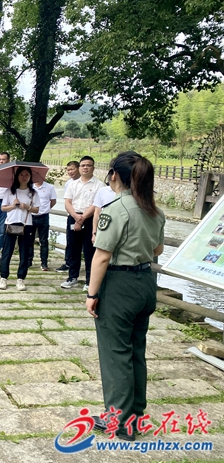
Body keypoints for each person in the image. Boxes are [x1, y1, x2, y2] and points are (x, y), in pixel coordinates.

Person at [86, 151, 165, 441]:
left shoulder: (117, 209)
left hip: (120, 284)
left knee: (116, 354)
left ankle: (118, 421)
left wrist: (92, 293)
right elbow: (157, 250)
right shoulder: (155, 210)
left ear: (115, 176)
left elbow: (102, 257)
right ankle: (135, 416)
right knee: (136, 350)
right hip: (145, 283)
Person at [62, 156, 105, 291]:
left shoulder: (99, 185)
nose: (85, 167)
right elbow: (67, 202)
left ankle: (89, 280)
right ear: (79, 168)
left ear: (93, 167)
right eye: (83, 165)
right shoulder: (72, 184)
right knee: (72, 248)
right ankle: (72, 277)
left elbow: (96, 205)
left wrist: (83, 218)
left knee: (89, 250)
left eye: (88, 165)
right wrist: (76, 217)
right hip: (73, 216)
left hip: (90, 219)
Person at [0, 167, 39, 291]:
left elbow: (37, 210)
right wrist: (13, 205)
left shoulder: (33, 193)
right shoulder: (10, 191)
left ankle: (21, 278)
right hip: (11, 223)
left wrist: (26, 206)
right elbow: (3, 208)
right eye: (21, 174)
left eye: (27, 174)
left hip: (26, 224)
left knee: (24, 252)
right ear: (17, 176)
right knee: (7, 251)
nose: (24, 177)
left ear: (30, 177)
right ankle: (3, 277)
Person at [56, 160, 80, 272]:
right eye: (68, 170)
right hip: (72, 215)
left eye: (72, 169)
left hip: (84, 215)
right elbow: (67, 201)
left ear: (78, 168)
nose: (70, 172)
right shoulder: (68, 183)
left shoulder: (86, 182)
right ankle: (68, 262)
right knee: (70, 240)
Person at [29, 176, 57, 271]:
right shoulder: (30, 186)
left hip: (44, 216)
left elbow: (53, 201)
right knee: (29, 240)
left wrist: (46, 209)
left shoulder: (50, 187)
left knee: (44, 241)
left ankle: (44, 263)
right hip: (32, 216)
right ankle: (28, 261)